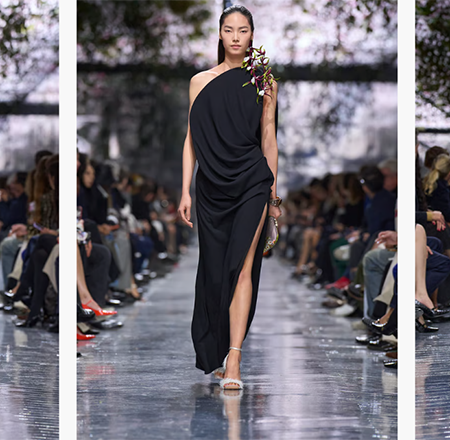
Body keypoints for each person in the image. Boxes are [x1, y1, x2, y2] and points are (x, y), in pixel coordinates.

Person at [178, 5, 281, 391]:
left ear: (252, 35)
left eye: (243, 30)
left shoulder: (263, 81)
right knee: (216, 271)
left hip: (252, 181)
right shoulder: (199, 81)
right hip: (211, 186)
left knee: (243, 265)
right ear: (219, 34)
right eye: (228, 29)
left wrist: (273, 196)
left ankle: (235, 357)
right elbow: (191, 138)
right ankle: (220, 350)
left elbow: (268, 138)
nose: (236, 36)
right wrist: (185, 189)